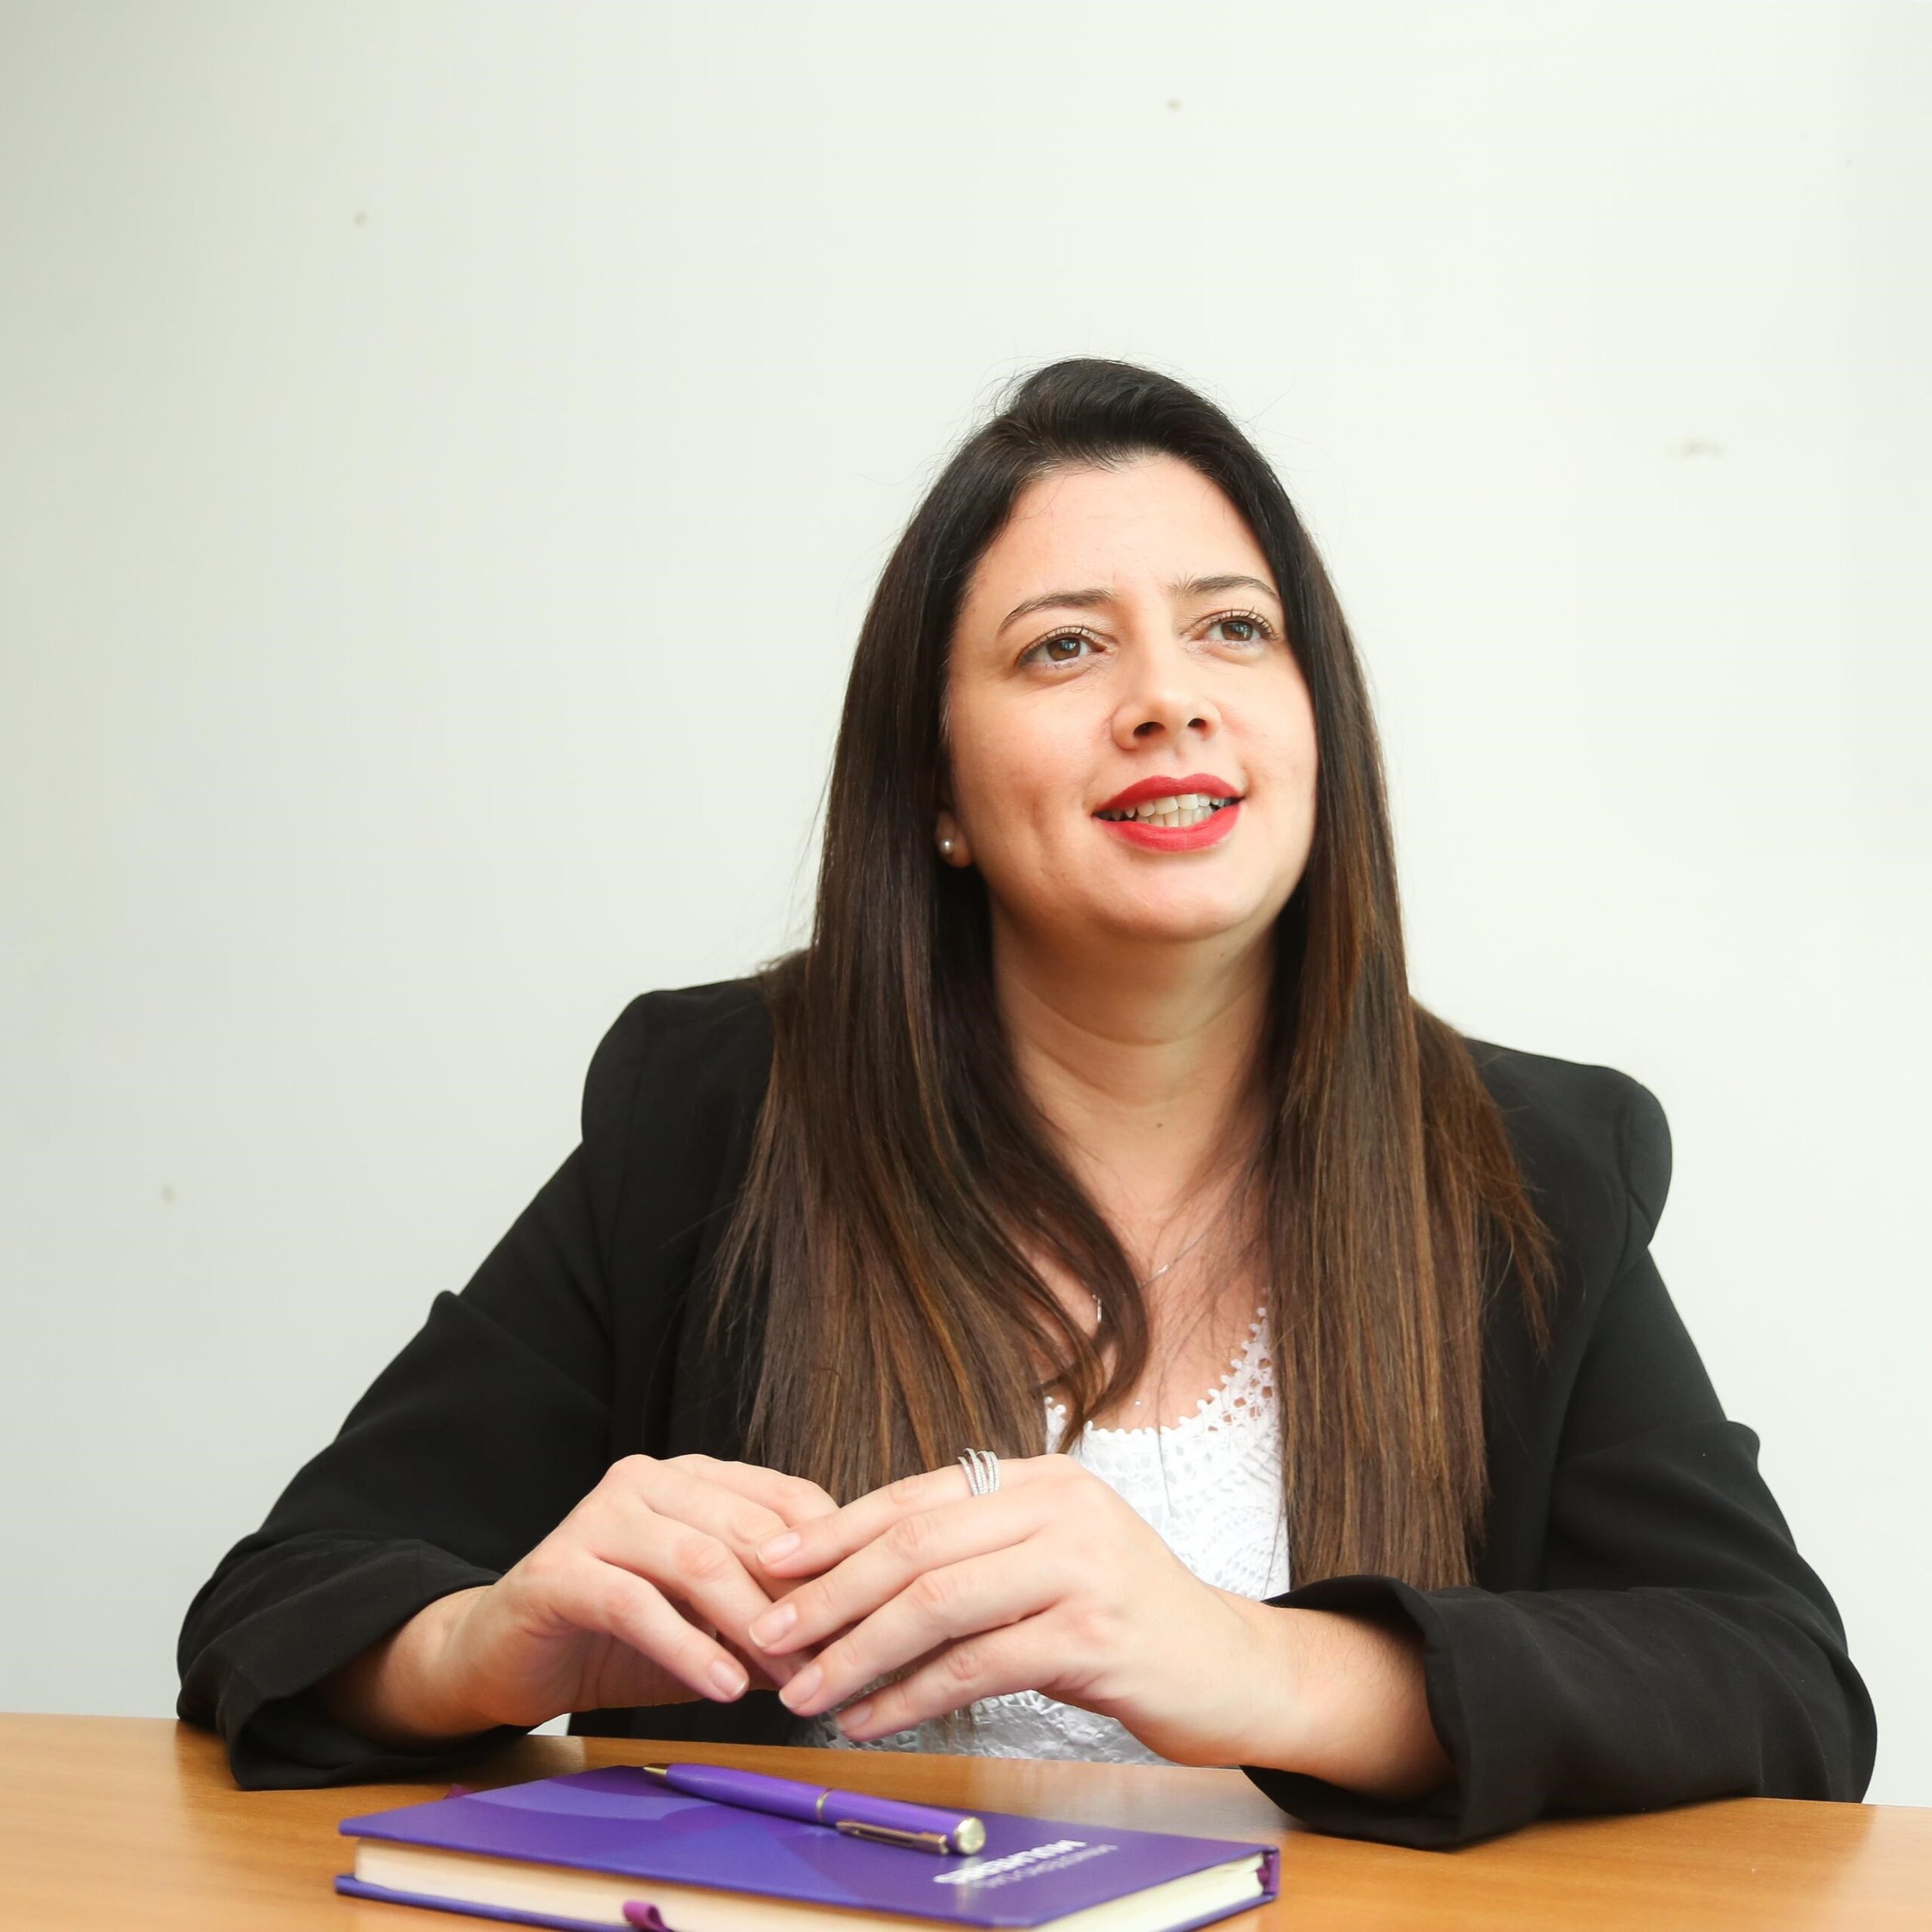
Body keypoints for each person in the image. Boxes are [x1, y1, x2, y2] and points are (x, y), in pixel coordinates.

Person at [176, 358, 1874, 1849]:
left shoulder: (1526, 1165)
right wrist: (490, 1646)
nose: (1168, 695)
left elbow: (1778, 1686)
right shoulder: (716, 1118)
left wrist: (1252, 1661)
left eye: (1233, 627)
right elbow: (277, 1608)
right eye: (1064, 646)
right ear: (937, 791)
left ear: (1315, 724)